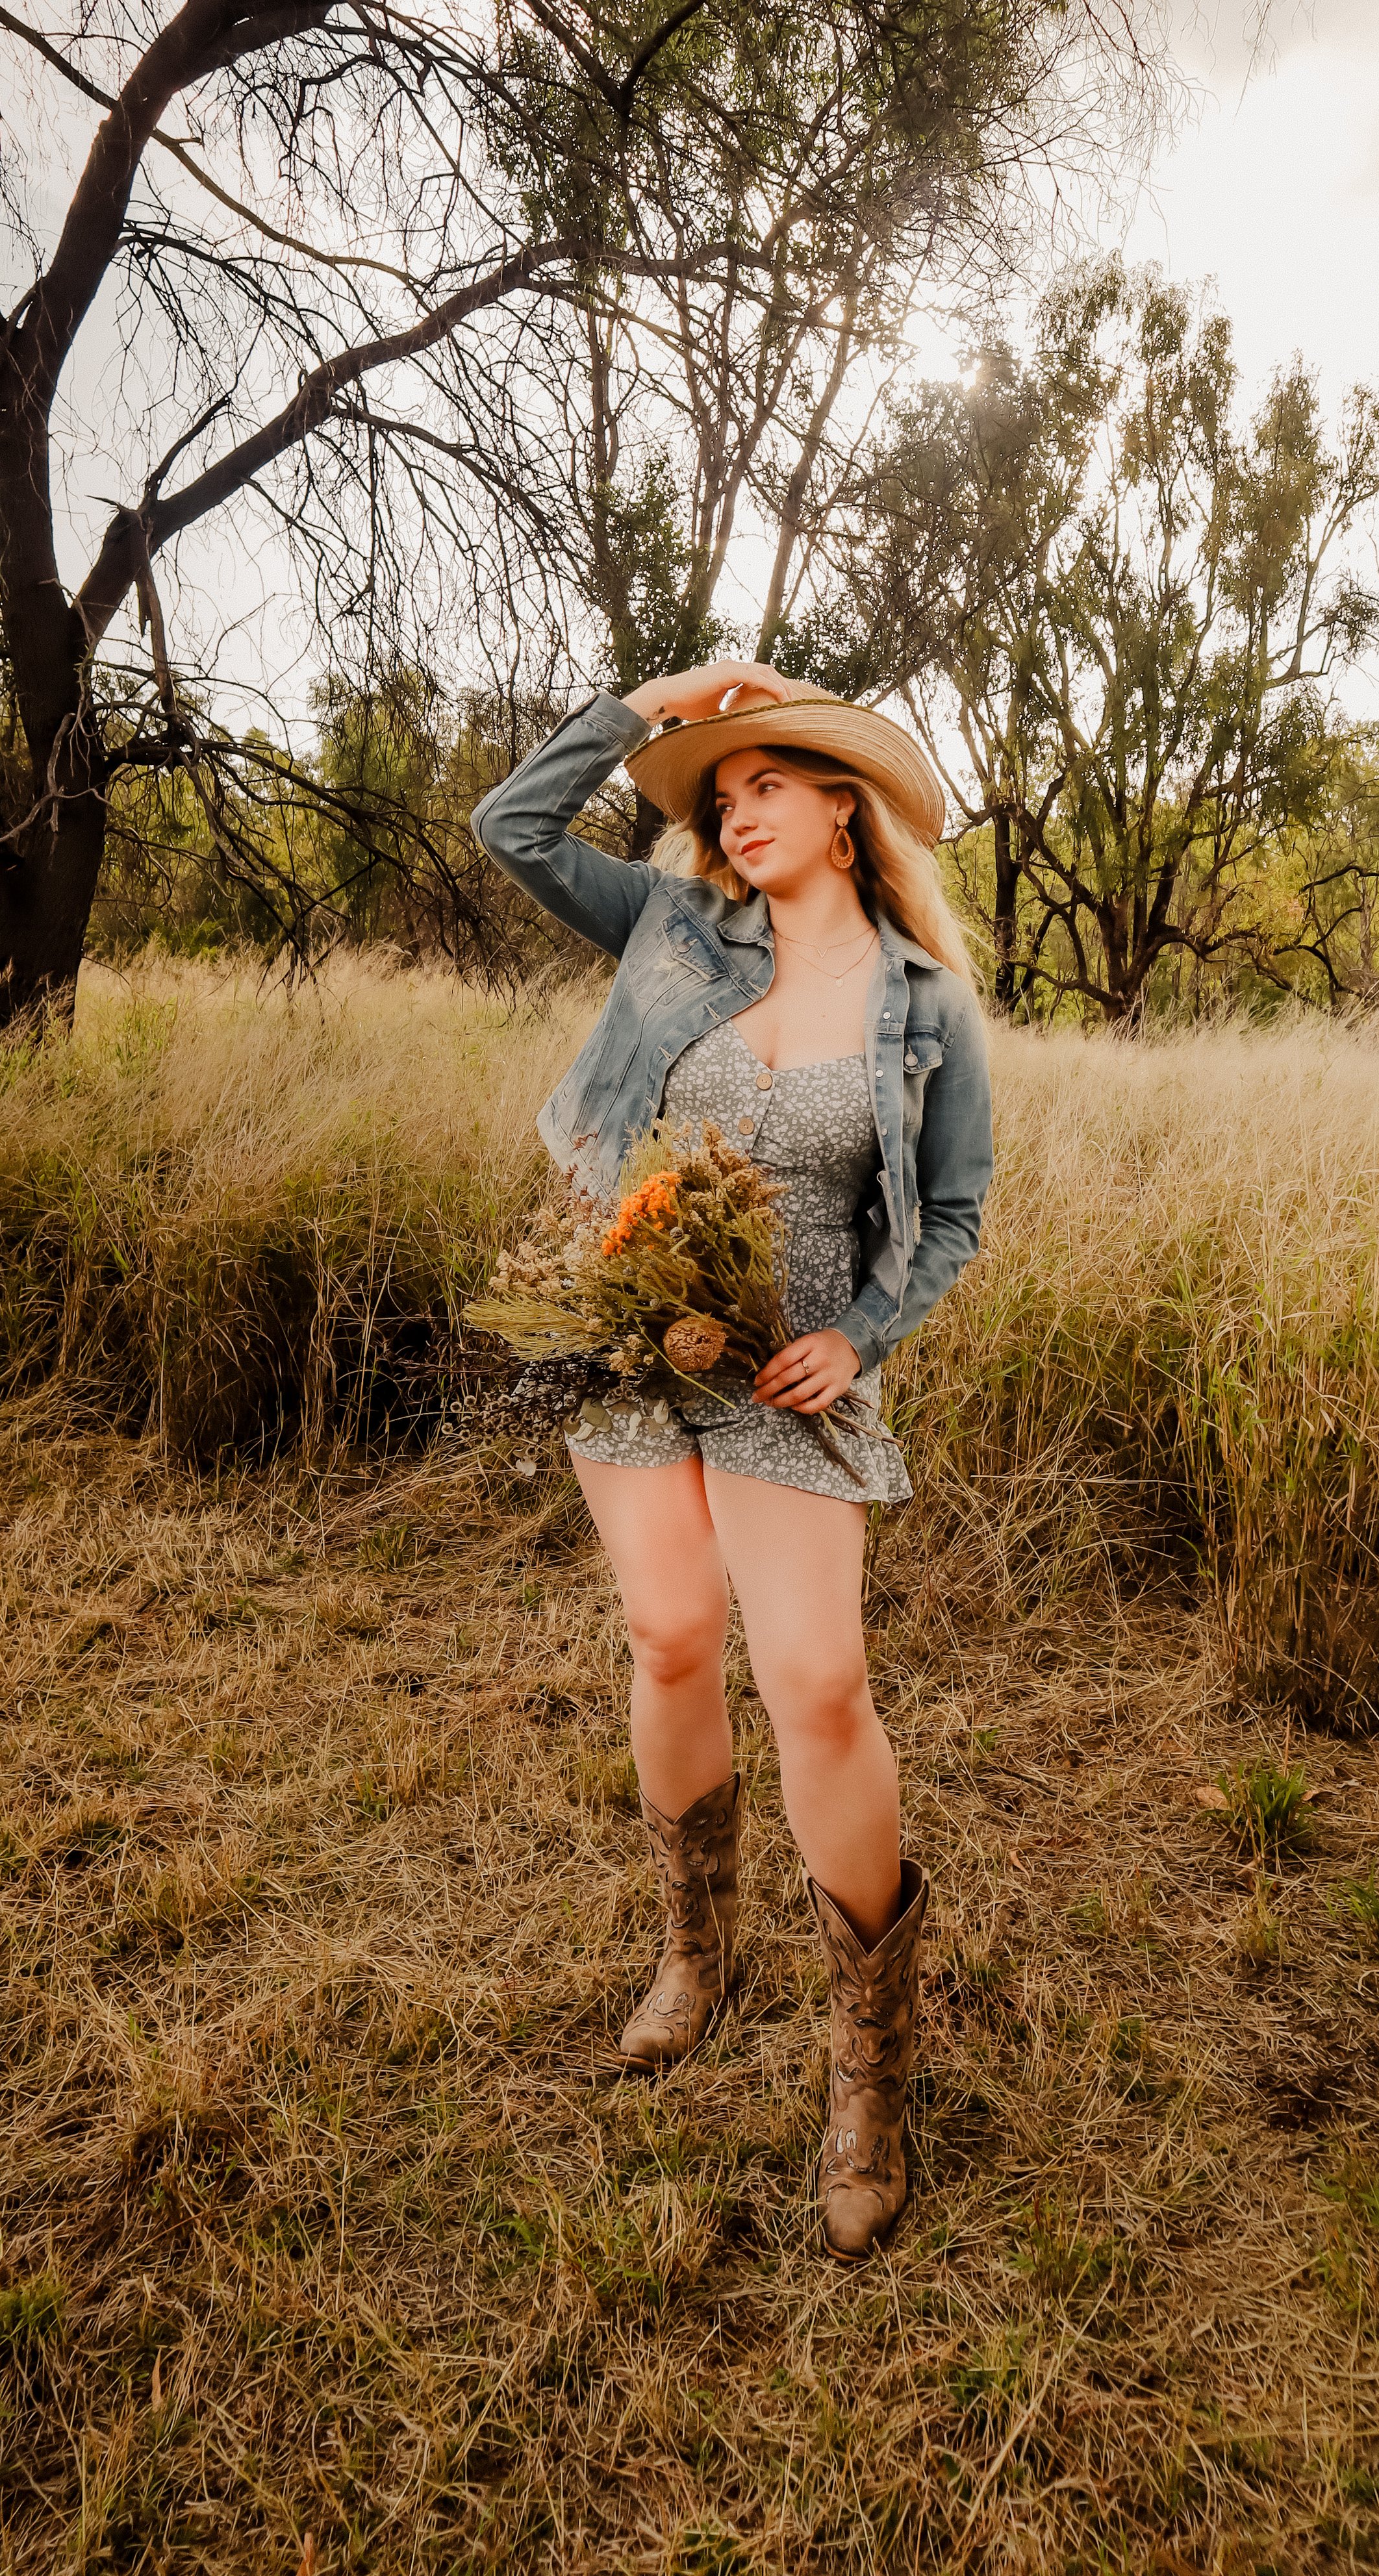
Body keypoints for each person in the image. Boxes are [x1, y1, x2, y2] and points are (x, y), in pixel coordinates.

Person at [472, 660, 993, 2259]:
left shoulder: (923, 1005)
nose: (736, 809)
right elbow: (510, 823)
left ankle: (868, 2061)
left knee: (818, 1680)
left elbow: (956, 1212)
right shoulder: (671, 929)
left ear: (844, 807)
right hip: (632, 1337)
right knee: (669, 1630)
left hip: (790, 1369)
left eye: (768, 781)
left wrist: (867, 1333)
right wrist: (663, 702)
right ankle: (698, 1948)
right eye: (720, 794)